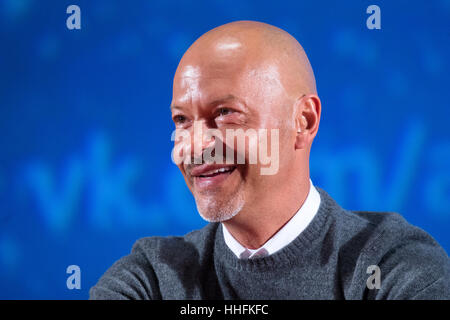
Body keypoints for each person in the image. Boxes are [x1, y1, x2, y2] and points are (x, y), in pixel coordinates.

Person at [90, 20, 450, 300]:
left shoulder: (390, 266)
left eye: (226, 113)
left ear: (303, 121)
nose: (195, 145)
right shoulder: (153, 278)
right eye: (182, 120)